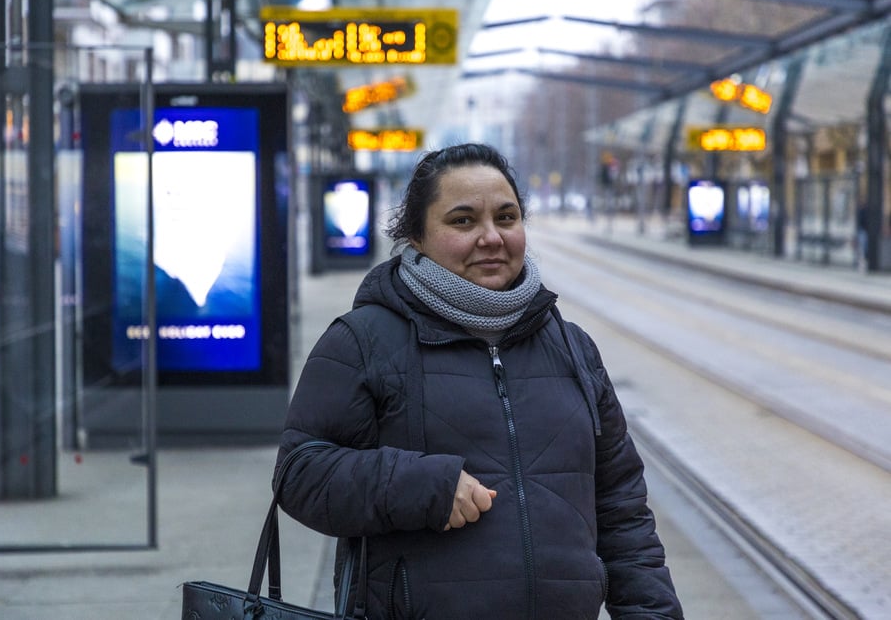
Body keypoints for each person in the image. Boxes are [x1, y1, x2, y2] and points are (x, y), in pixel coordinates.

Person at [274, 143, 683, 619]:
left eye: (506, 218)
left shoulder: (572, 348)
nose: (491, 237)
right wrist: (419, 485)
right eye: (463, 221)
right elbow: (299, 473)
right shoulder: (363, 340)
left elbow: (622, 510)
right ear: (417, 237)